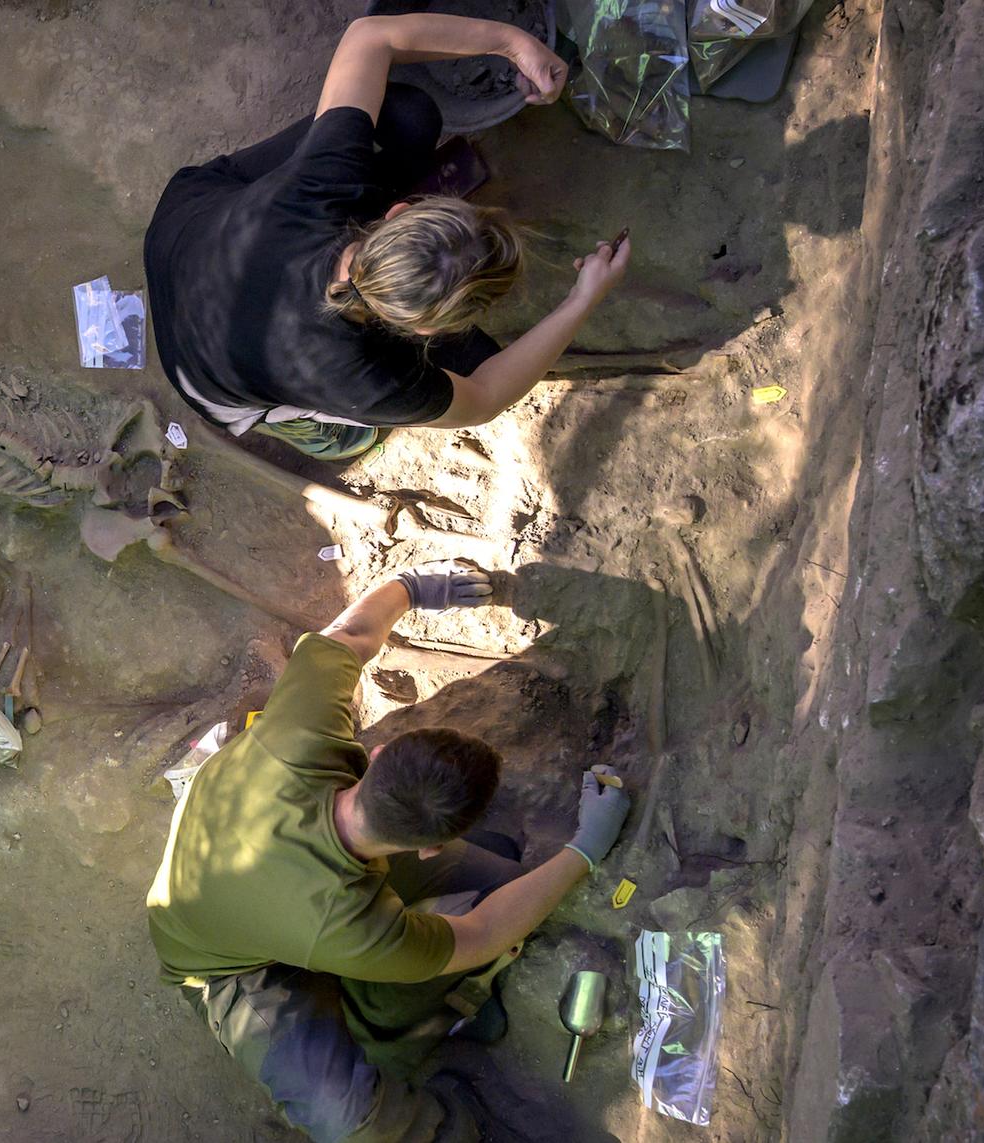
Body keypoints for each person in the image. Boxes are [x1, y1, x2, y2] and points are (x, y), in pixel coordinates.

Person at [145, 566, 634, 1142]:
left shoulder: (303, 728)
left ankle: (401, 1006)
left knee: (505, 878)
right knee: (346, 1118)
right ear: (429, 846)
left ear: (378, 756)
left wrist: (415, 588)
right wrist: (586, 848)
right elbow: (479, 935)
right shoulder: (350, 924)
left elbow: (349, 633)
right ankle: (450, 1119)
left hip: (243, 867)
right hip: (223, 962)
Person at [143, 13, 633, 462]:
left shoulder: (321, 181)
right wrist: (583, 299)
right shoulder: (371, 380)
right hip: (207, 381)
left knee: (407, 114)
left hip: (183, 226)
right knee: (377, 424)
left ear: (398, 212)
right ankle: (319, 435)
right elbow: (484, 398)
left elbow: (369, 36)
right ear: (424, 331)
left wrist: (512, 43)